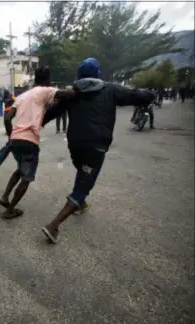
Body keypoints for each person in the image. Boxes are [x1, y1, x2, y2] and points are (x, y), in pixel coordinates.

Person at [40, 57, 156, 243]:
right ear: (98, 74)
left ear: (78, 74)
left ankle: (80, 204)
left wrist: (33, 125)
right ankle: (53, 225)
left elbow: (50, 113)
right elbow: (137, 95)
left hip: (74, 145)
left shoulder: (72, 93)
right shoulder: (110, 89)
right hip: (96, 146)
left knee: (83, 169)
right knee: (84, 183)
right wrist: (150, 94)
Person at [0, 67, 76, 219]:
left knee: (20, 169)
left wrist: (10, 136)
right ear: (48, 79)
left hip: (15, 140)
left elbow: (7, 118)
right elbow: (69, 94)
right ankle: (10, 210)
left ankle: (5, 197)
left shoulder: (22, 96)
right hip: (29, 141)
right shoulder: (44, 90)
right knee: (26, 177)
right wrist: (77, 89)